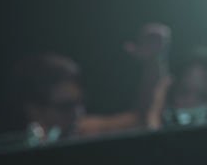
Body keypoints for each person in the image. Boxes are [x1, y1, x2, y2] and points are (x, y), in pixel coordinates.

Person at [11, 23, 171, 139]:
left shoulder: (81, 130)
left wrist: (153, 62)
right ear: (34, 110)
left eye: (80, 103)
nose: (77, 113)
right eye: (65, 107)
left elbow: (140, 120)